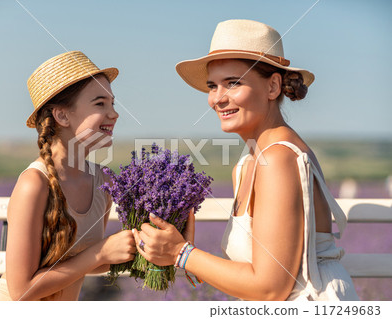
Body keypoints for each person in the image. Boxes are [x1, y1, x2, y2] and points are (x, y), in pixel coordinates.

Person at [132, 20, 359, 301]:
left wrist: (181, 254)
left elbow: (271, 287)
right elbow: (256, 273)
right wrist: (186, 253)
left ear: (273, 86)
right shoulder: (249, 163)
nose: (218, 99)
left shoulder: (278, 159)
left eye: (233, 83)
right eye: (212, 86)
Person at [0, 51, 136, 301]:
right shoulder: (35, 183)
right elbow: (22, 291)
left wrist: (138, 247)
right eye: (100, 104)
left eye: (112, 103)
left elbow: (84, 261)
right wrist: (101, 253)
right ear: (62, 115)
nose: (114, 113)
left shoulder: (102, 182)